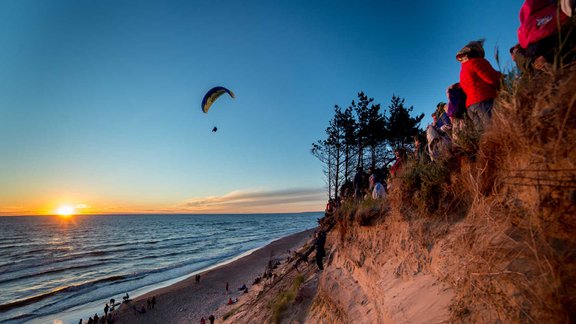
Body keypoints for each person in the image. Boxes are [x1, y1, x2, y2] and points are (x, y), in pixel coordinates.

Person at [456, 39, 501, 133]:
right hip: (483, 101)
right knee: (494, 131)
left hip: (471, 106)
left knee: (482, 135)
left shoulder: (462, 71)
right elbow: (491, 78)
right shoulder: (477, 62)